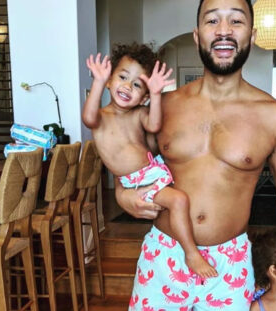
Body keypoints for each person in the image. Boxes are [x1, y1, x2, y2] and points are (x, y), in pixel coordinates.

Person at [115, 0, 276, 310]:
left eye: (236, 21)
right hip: (164, 254)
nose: (224, 31)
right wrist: (123, 195)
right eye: (213, 21)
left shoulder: (275, 118)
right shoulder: (164, 107)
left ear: (252, 35)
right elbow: (126, 157)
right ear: (197, 34)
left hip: (230, 264)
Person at [82, 43, 218, 279]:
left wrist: (155, 95)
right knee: (179, 201)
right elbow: (87, 117)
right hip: (136, 181)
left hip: (154, 170)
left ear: (143, 96)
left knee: (189, 195)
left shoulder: (139, 114)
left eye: (137, 85)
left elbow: (154, 125)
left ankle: (183, 248)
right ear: (109, 82)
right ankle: (191, 253)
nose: (127, 86)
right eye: (122, 77)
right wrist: (97, 81)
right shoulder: (100, 117)